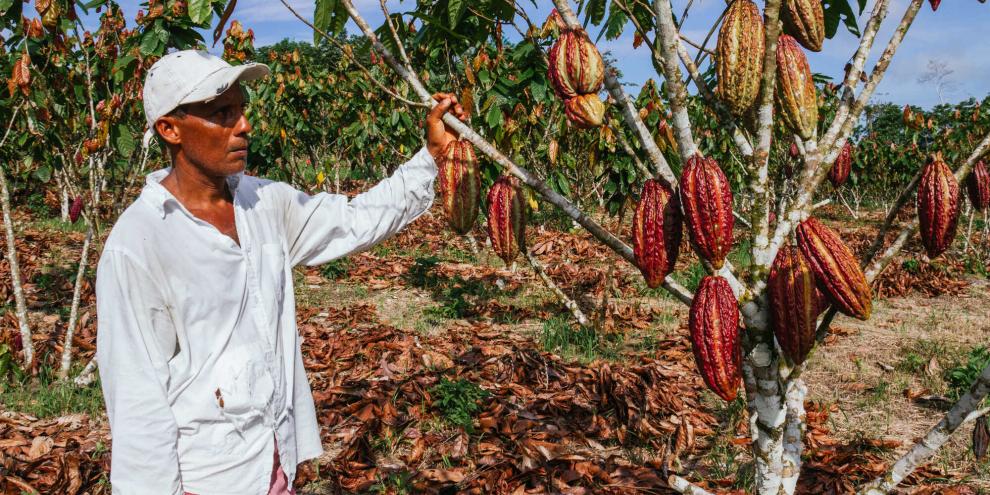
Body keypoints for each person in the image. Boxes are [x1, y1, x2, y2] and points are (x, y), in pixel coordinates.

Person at [95, 49, 466, 495]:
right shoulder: (139, 242)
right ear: (170, 129)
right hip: (207, 478)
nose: (244, 126)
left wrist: (431, 155)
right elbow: (137, 397)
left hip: (273, 464)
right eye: (222, 114)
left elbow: (353, 220)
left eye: (242, 109)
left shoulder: (263, 203)